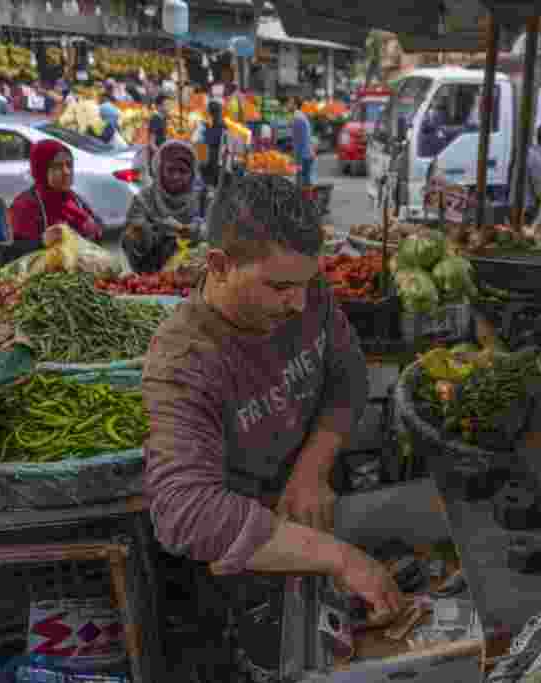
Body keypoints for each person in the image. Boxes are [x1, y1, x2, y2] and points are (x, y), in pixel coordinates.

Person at [142, 173, 401, 678]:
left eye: (305, 283)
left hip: (315, 517)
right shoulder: (183, 363)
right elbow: (183, 512)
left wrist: (311, 471)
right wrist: (341, 559)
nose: (299, 304)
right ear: (219, 266)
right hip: (244, 567)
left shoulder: (305, 289)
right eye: (279, 287)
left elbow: (347, 375)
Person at [122, 141, 207, 274]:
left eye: (183, 171)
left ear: (192, 174)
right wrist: (154, 229)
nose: (176, 176)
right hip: (153, 265)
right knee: (131, 236)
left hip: (194, 268)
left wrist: (193, 230)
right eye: (170, 170)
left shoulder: (203, 197)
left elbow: (214, 231)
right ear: (160, 170)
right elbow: (134, 227)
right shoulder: (145, 198)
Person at [9, 139, 103, 244]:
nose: (66, 172)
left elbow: (97, 226)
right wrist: (41, 241)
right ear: (41, 170)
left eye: (69, 165)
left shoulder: (74, 199)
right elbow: (11, 248)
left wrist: (95, 228)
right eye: (57, 166)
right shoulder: (25, 206)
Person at [199, 99, 227, 188]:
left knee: (209, 177)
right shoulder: (220, 124)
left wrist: (206, 129)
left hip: (213, 155)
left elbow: (211, 140)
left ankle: (210, 188)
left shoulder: (217, 124)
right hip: (215, 156)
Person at [524, 127, 541, 224]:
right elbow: (540, 190)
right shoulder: (537, 158)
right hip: (528, 209)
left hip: (522, 206)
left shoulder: (530, 153)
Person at [289, 96, 315, 187]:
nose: (288, 105)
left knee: (302, 182)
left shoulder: (298, 118)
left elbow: (300, 140)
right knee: (305, 181)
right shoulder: (301, 116)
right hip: (306, 154)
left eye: (290, 103)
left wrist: (297, 158)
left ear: (295, 105)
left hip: (303, 155)